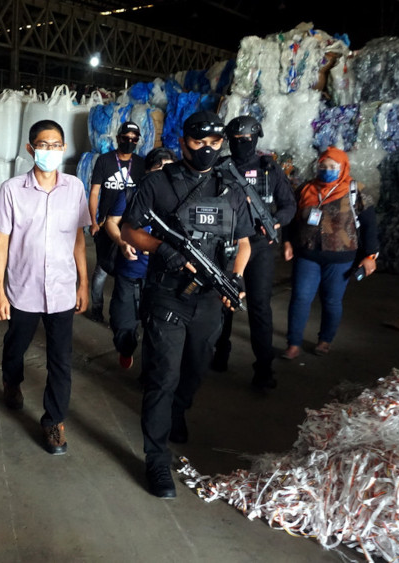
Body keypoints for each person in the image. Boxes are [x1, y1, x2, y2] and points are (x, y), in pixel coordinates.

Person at [120, 111, 252, 498]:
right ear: (183, 142)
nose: (207, 149)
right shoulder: (158, 183)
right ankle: (156, 460)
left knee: (196, 369)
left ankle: (179, 410)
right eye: (199, 142)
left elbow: (243, 241)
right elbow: (130, 228)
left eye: (215, 143)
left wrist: (237, 278)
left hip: (210, 297)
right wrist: (164, 249)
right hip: (167, 293)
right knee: (163, 376)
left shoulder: (229, 187)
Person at [0, 119, 91, 455]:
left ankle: (54, 422)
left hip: (61, 287)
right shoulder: (12, 189)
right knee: (16, 345)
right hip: (24, 286)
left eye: (56, 144)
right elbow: (1, 241)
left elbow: (78, 237)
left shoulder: (75, 187)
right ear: (31, 149)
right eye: (43, 145)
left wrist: (83, 282)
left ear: (64, 148)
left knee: (60, 359)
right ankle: (11, 381)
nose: (50, 150)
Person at [211, 116, 297, 390]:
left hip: (259, 246)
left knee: (259, 307)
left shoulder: (269, 168)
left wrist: (275, 222)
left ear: (256, 139)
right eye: (235, 142)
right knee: (225, 300)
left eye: (246, 141)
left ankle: (264, 368)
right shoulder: (220, 166)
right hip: (228, 243)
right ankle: (219, 353)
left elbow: (288, 204)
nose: (240, 146)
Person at [282, 147, 379, 360]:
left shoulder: (356, 190)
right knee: (300, 298)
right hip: (307, 254)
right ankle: (293, 343)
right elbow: (291, 218)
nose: (327, 171)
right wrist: (287, 241)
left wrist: (370, 255)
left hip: (341, 257)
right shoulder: (306, 189)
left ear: (343, 167)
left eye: (333, 167)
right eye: (323, 166)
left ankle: (325, 340)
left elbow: (370, 225)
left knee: (332, 301)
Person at [105, 147, 175, 370]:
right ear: (148, 171)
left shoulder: (178, 199)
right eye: (158, 168)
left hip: (161, 277)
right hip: (130, 272)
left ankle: (149, 374)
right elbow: (111, 222)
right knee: (122, 323)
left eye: (169, 168)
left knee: (156, 329)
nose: (163, 173)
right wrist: (123, 242)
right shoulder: (131, 195)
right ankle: (126, 348)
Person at [87, 121, 146, 323]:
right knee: (102, 269)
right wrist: (94, 221)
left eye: (134, 139)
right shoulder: (104, 161)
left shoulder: (141, 164)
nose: (129, 142)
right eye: (125, 138)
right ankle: (96, 308)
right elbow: (95, 192)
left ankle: (128, 313)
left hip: (130, 225)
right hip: (105, 224)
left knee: (130, 269)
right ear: (118, 138)